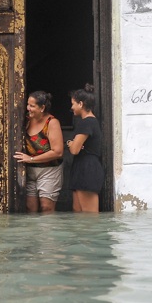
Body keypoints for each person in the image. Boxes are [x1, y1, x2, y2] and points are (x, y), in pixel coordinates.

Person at [12, 90, 65, 213]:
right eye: (28, 105)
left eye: (32, 106)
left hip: (49, 170)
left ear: (42, 108)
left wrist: (30, 159)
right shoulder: (26, 120)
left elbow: (58, 152)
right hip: (30, 171)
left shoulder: (52, 122)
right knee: (30, 208)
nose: (28, 108)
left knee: (46, 208)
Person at [66, 84, 104, 213]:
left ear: (81, 104)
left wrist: (71, 143)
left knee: (89, 215)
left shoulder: (87, 122)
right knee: (78, 210)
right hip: (83, 166)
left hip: (87, 168)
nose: (72, 107)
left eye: (73, 104)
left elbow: (74, 150)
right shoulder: (89, 122)